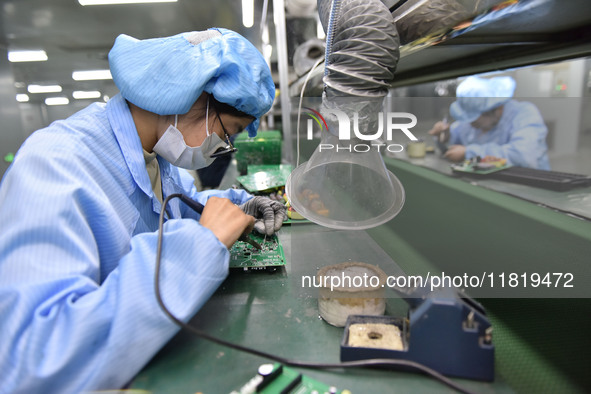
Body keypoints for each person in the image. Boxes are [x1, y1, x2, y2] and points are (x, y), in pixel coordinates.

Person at [0, 28, 286, 393]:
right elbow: (33, 359)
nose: (222, 148)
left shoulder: (156, 158)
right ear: (192, 97)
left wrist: (237, 204)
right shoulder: (55, 165)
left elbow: (180, 209)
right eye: (227, 133)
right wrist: (198, 247)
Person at [429, 75, 551, 170]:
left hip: (529, 188)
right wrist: (446, 136)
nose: (470, 125)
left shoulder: (525, 114)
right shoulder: (474, 120)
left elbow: (522, 156)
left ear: (497, 110)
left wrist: (469, 153)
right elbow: (458, 135)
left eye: (474, 120)